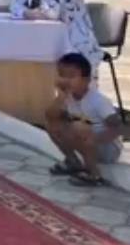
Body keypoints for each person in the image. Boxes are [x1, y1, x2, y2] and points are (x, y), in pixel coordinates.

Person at [46, 52, 122, 187]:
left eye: (71, 76)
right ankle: (73, 162)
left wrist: (94, 141)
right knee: (53, 125)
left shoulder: (98, 101)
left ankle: (94, 175)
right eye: (62, 75)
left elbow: (117, 127)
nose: (65, 80)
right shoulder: (68, 98)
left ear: (86, 80)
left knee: (79, 127)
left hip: (107, 148)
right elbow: (50, 116)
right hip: (85, 142)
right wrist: (61, 97)